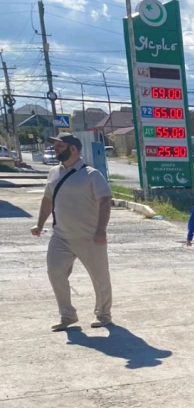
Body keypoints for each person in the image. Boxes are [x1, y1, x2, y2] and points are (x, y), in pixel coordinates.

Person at [30, 133, 114, 332]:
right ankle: (68, 315)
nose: (56, 149)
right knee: (54, 272)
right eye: (56, 146)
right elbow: (47, 200)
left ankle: (104, 314)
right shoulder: (53, 173)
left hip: (90, 237)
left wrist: (101, 230)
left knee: (100, 277)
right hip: (61, 236)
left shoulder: (92, 174)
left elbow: (105, 201)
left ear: (73, 149)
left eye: (60, 146)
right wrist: (40, 224)